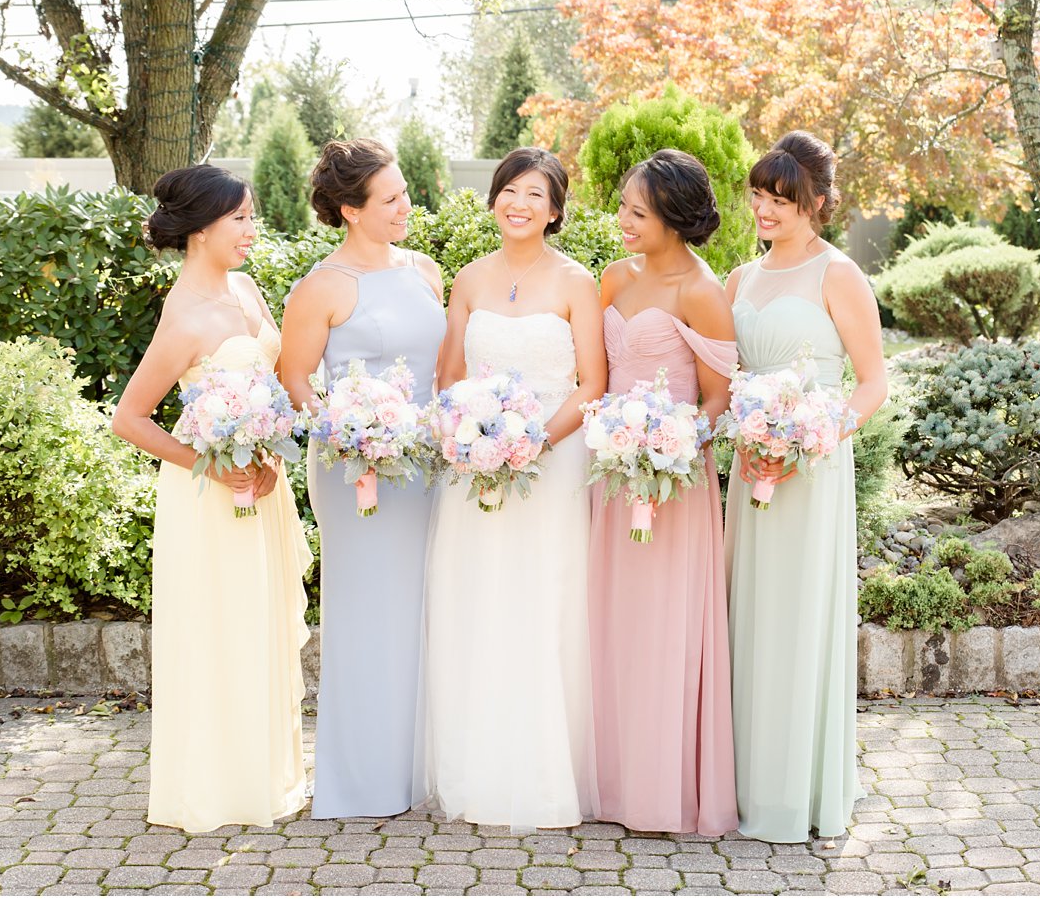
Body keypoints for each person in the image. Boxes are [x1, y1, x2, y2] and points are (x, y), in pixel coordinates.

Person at [112, 164, 311, 832]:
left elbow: (272, 385)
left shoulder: (249, 290)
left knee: (258, 626)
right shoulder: (186, 317)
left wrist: (270, 455)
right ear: (200, 228)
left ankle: (260, 776)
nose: (252, 230)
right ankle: (212, 786)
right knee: (217, 631)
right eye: (241, 219)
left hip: (258, 485)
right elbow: (130, 418)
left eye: (252, 217)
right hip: (207, 495)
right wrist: (211, 463)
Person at [416, 146, 606, 830]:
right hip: (476, 468)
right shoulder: (467, 279)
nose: (518, 203)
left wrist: (533, 442)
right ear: (493, 198)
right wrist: (470, 436)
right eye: (508, 190)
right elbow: (447, 376)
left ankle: (548, 769)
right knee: (481, 596)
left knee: (544, 598)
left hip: (551, 460)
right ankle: (480, 760)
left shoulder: (576, 282)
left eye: (535, 194)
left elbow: (593, 383)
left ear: (555, 210)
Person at [723, 131, 888, 842]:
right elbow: (723, 378)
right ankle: (740, 785)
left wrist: (812, 437)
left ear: (815, 201)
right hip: (749, 468)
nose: (764, 208)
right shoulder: (738, 279)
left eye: (780, 198)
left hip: (810, 469)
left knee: (796, 617)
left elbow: (873, 383)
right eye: (758, 194)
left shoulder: (838, 274)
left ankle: (799, 790)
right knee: (746, 613)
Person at [278, 138, 446, 818]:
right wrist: (350, 431)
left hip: (426, 466)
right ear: (350, 209)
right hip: (357, 471)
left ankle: (415, 771)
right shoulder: (320, 287)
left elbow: (440, 368)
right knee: (367, 611)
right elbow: (295, 381)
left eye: (405, 191)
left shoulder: (428, 271)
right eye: (391, 198)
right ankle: (361, 779)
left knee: (422, 609)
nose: (407, 205)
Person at [588, 149, 739, 835]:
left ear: (673, 217)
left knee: (666, 628)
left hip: (674, 483)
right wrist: (620, 444)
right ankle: (612, 782)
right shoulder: (611, 279)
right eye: (622, 206)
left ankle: (664, 787)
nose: (622, 220)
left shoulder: (702, 291)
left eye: (636, 212)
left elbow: (717, 401)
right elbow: (592, 372)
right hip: (612, 481)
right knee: (612, 623)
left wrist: (667, 443)